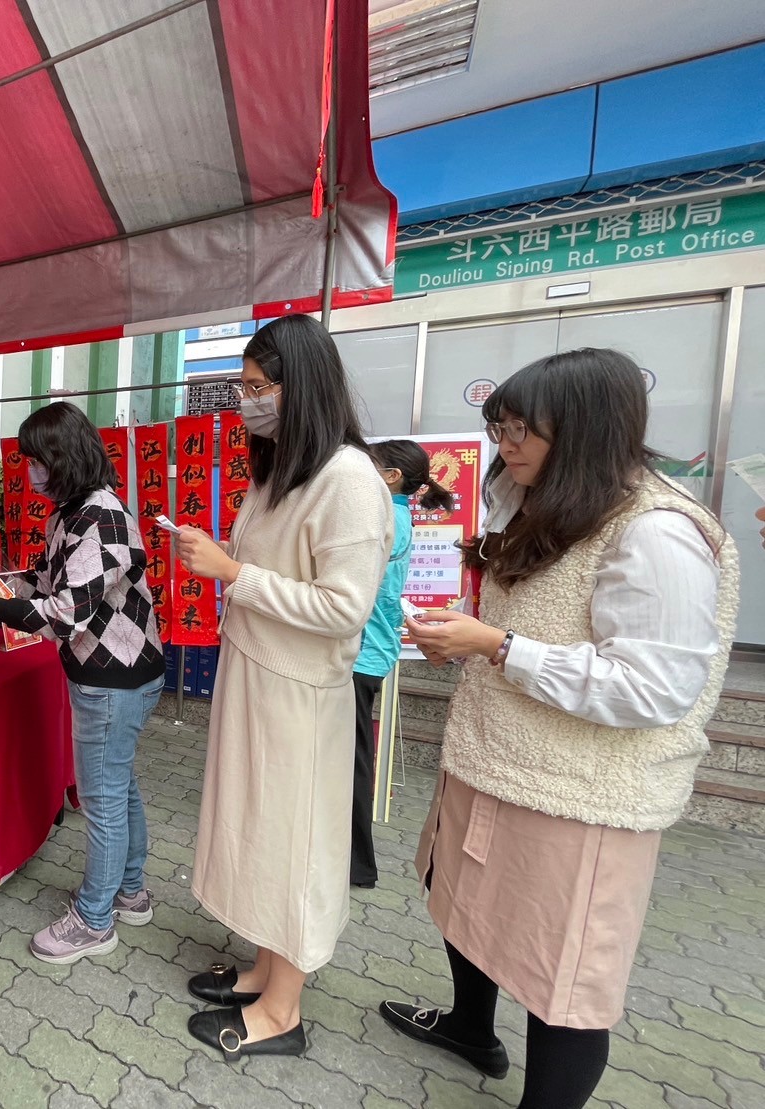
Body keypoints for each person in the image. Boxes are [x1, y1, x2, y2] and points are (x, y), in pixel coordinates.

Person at [379, 349, 738, 1109]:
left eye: (519, 431)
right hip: (497, 753)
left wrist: (495, 646)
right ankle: (470, 1028)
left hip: (580, 791)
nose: (503, 446)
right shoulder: (537, 495)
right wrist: (474, 636)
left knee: (563, 974)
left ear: (581, 432)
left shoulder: (658, 533)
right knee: (463, 902)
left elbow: (653, 686)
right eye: (498, 427)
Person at [172, 316, 392, 1060]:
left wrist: (232, 573)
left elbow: (341, 608)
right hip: (256, 676)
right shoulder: (282, 472)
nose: (246, 400)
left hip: (299, 692)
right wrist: (223, 560)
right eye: (244, 385)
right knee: (260, 833)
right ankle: (264, 970)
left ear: (303, 385)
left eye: (258, 386)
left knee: (293, 843)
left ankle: (282, 1011)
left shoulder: (349, 479)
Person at [0, 402, 164, 965]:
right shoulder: (72, 513)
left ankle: (96, 920)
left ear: (63, 458)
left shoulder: (102, 517)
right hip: (115, 673)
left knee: (101, 799)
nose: (30, 472)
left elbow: (67, 613)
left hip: (114, 677)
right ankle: (130, 892)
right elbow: (49, 582)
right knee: (118, 787)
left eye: (36, 460)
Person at [349, 440, 455, 889]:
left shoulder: (384, 517)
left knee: (351, 761)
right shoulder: (394, 514)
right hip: (370, 649)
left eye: (368, 466)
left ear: (391, 476)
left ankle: (357, 864)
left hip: (361, 652)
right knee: (350, 757)